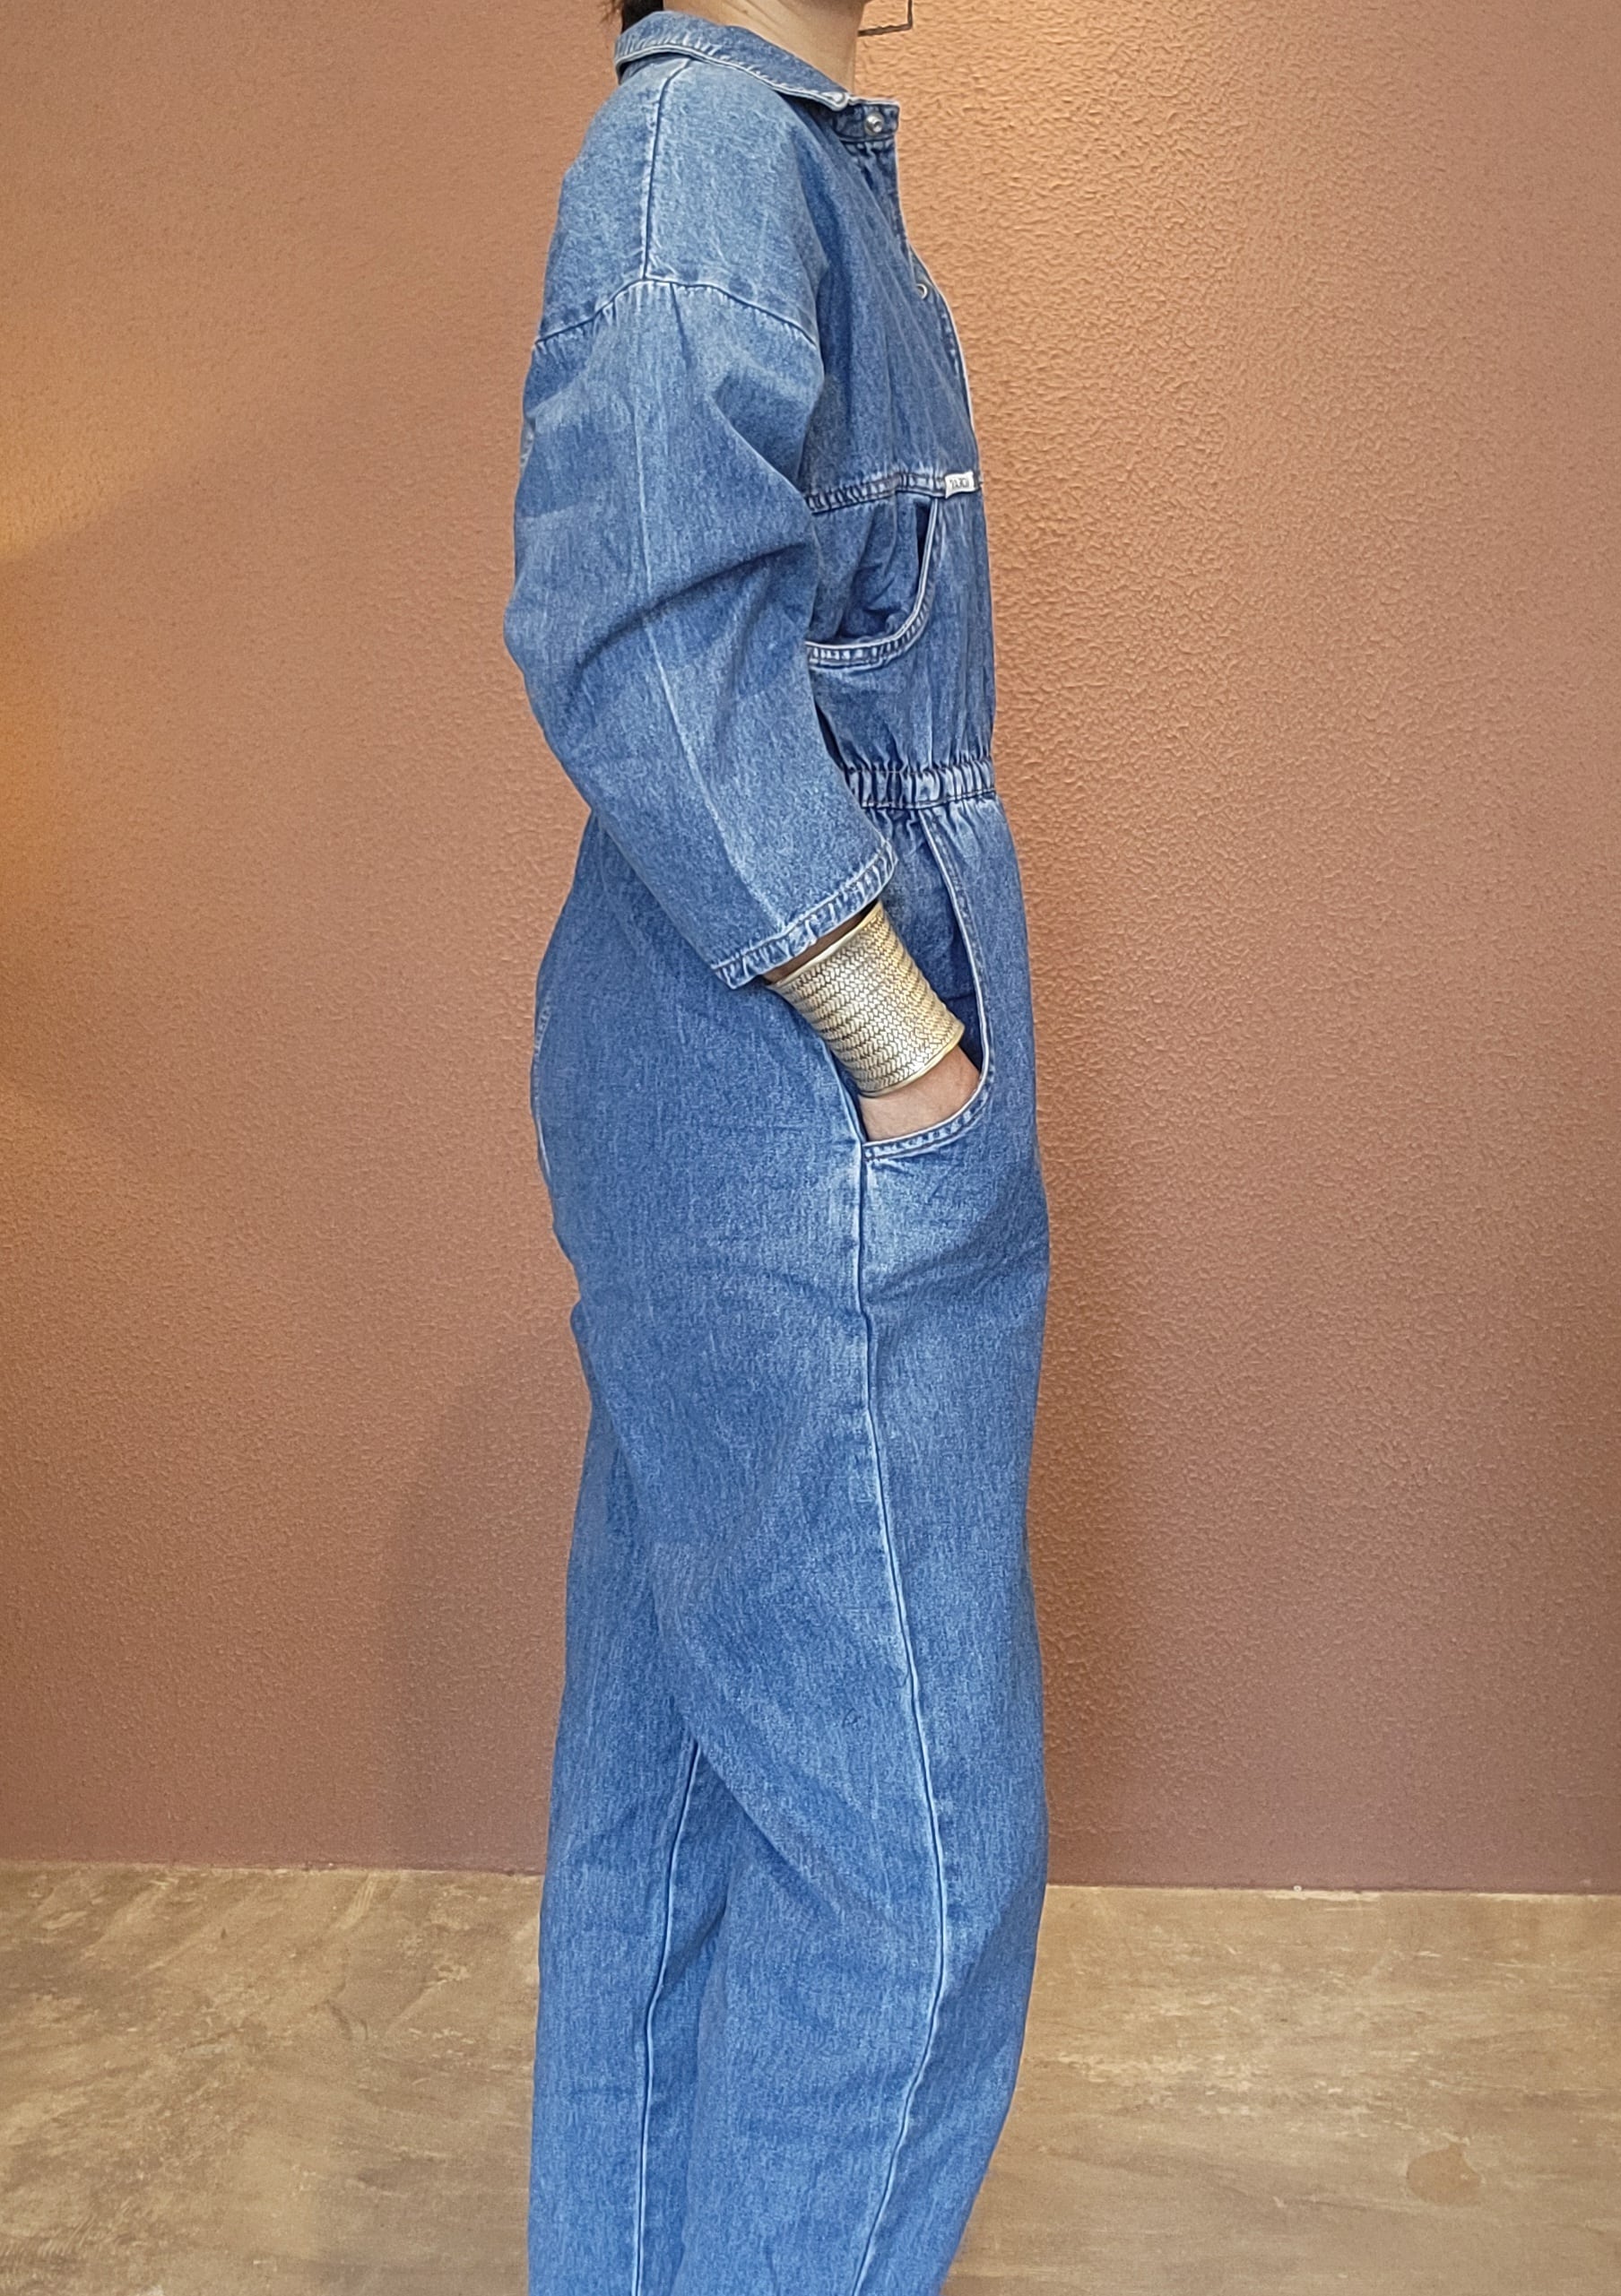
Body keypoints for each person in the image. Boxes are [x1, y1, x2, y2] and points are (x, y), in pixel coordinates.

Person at [503, 5, 1050, 2289]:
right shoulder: (706, 151)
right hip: (795, 1119)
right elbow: (637, 637)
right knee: (908, 1868)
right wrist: (895, 1039)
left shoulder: (785, 164)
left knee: (683, 1805)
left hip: (726, 1107)